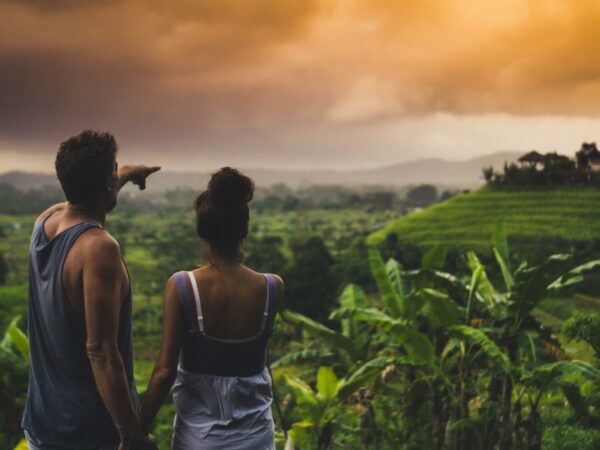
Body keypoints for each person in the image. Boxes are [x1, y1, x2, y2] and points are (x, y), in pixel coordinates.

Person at [22, 130, 160, 450]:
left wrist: (122, 174)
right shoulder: (99, 248)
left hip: (43, 424)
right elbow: (100, 350)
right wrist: (130, 434)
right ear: (106, 184)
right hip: (88, 432)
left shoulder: (45, 221)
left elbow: (82, 200)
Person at [140, 167, 284, 450]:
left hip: (197, 439)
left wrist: (136, 431)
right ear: (244, 228)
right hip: (257, 437)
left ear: (202, 230)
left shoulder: (183, 286)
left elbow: (163, 372)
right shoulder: (272, 287)